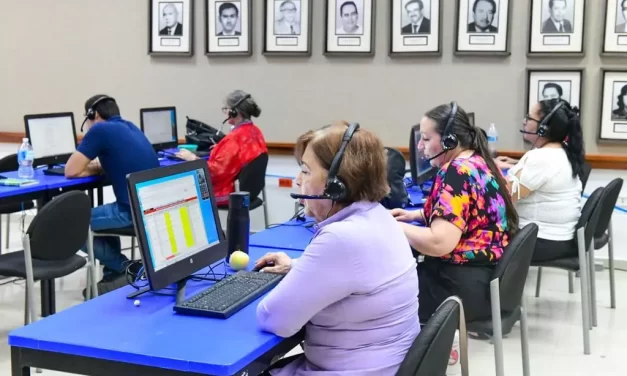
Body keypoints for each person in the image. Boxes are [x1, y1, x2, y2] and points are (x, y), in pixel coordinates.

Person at [255, 123, 420, 376]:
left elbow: (274, 319)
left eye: (306, 171)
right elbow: (358, 273)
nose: (299, 180)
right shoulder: (380, 216)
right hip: (387, 365)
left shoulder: (340, 238)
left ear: (336, 186)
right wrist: (296, 267)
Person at [391, 103, 518, 324]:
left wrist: (393, 226)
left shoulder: (456, 172)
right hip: (486, 282)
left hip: (459, 291)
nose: (420, 146)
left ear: (449, 140)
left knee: (386, 293)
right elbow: (472, 210)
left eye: (426, 139)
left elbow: (439, 243)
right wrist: (417, 216)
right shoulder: (479, 161)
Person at [65, 95, 159, 293]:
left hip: (130, 211)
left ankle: (128, 268)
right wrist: (98, 167)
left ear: (94, 114)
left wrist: (90, 168)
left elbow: (71, 170)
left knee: (70, 225)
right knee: (101, 221)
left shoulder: (100, 129)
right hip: (152, 208)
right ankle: (114, 276)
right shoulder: (131, 127)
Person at [506, 99, 584, 262]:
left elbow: (507, 197)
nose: (524, 121)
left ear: (543, 128)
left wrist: (486, 171)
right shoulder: (562, 151)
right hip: (560, 238)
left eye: (529, 117)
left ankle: (488, 286)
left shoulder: (541, 158)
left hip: (541, 241)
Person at [175, 90, 267, 206]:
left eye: (226, 109)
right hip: (251, 192)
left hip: (228, 193)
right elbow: (240, 155)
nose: (225, 113)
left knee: (182, 192)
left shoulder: (234, 139)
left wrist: (192, 158)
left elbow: (214, 173)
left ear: (234, 112)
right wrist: (222, 148)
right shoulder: (255, 132)